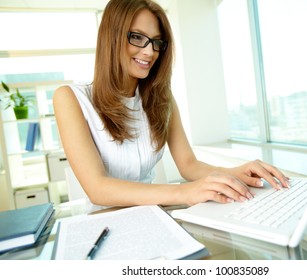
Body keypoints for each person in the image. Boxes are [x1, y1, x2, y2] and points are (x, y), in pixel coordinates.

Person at [53, 0, 289, 207]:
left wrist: (236, 173)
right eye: (136, 37)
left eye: (156, 42)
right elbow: (98, 189)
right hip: (104, 224)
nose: (149, 52)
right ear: (111, 37)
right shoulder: (70, 98)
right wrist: (183, 192)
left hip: (154, 214)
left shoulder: (161, 98)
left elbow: (188, 164)